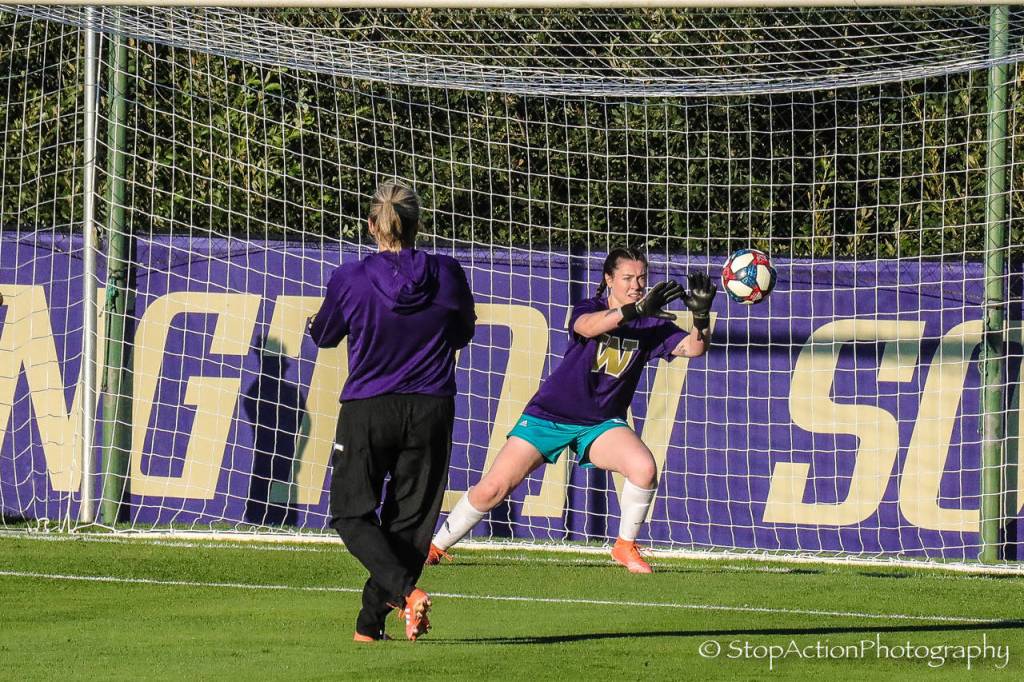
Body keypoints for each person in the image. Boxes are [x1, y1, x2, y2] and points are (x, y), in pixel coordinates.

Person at [427, 246, 715, 573]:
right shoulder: (590, 306)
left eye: (641, 278)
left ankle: (624, 547)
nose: (636, 284)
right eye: (627, 278)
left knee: (644, 467)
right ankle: (435, 547)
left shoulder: (650, 322)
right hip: (551, 415)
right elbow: (588, 327)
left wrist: (701, 316)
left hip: (600, 423)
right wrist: (633, 311)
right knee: (494, 488)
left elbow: (694, 347)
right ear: (609, 280)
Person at [308, 181, 475, 642]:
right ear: (419, 225)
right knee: (410, 524)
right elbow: (463, 334)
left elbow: (323, 335)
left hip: (370, 407)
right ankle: (369, 626)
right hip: (431, 407)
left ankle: (403, 595)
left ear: (371, 226)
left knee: (349, 513)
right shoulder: (448, 273)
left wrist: (317, 323)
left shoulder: (352, 278)